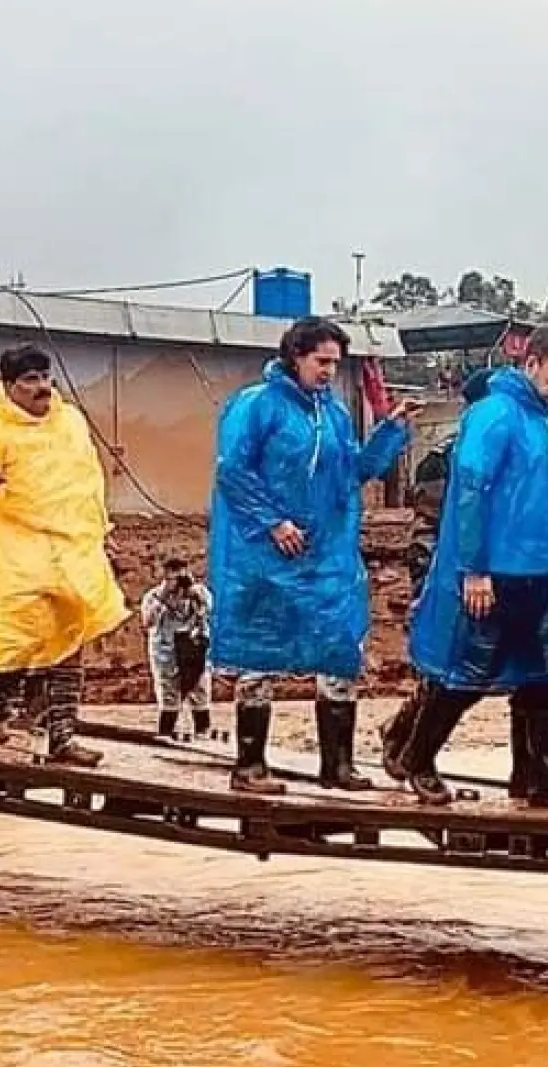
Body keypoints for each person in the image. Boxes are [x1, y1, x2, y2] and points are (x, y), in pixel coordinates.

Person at [398, 324, 548, 812]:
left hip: (543, 570)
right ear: (530, 363)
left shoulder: (546, 422)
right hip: (498, 571)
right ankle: (417, 757)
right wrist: (473, 568)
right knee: (469, 669)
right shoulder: (495, 415)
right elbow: (470, 490)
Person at [208, 317, 413, 794]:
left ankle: (337, 766)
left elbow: (354, 472)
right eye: (322, 361)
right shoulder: (256, 406)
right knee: (259, 654)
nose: (328, 371)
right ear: (295, 356)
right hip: (266, 558)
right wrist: (273, 522)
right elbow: (232, 472)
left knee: (338, 650)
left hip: (325, 556)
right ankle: (250, 766)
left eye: (334, 364)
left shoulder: (334, 413)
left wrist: (391, 432)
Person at [0, 345, 126, 768]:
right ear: (9, 386)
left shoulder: (70, 423)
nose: (42, 388)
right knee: (24, 632)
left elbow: (88, 480)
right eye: (29, 380)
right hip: (14, 547)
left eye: (45, 377)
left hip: (70, 544)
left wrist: (101, 530)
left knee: (74, 631)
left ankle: (63, 739)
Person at [379, 366, 496, 784]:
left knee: (465, 669)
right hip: (447, 575)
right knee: (450, 668)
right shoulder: (444, 460)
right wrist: (431, 585)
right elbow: (431, 527)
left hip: (489, 574)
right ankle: (406, 744)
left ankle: (401, 736)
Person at [139, 557, 215, 739]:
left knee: (200, 687)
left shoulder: (198, 593)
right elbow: (147, 621)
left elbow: (210, 611)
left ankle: (202, 730)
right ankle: (166, 732)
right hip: (165, 650)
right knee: (167, 689)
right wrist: (164, 595)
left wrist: (194, 594)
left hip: (193, 647)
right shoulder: (154, 595)